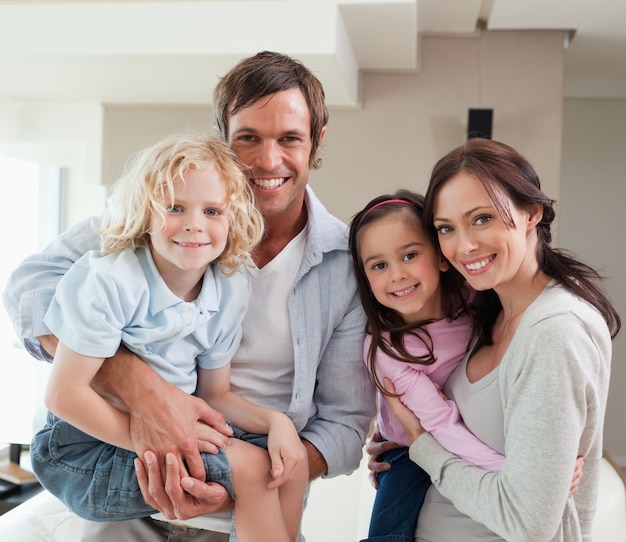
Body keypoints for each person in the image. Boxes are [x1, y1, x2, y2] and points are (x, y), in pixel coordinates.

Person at [3, 51, 375, 541]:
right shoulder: (161, 222)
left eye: (289, 138)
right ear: (224, 138)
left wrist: (242, 477)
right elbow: (30, 287)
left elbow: (345, 427)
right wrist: (142, 391)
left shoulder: (347, 266)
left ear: (316, 141)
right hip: (126, 493)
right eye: (248, 138)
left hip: (246, 498)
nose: (268, 160)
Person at [29, 132, 308, 542]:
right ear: (146, 213)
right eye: (175, 208)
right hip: (78, 450)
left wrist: (276, 421)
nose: (195, 224)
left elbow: (215, 395)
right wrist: (156, 438)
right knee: (254, 470)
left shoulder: (228, 288)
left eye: (212, 210)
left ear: (233, 219)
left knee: (292, 463)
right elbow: (63, 397)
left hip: (165, 431)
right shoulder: (112, 280)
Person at [378, 138, 621, 541]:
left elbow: (528, 524)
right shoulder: (485, 312)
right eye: (446, 229)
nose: (465, 245)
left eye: (482, 219)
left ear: (532, 211)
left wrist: (424, 449)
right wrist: (401, 446)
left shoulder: (554, 330)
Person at [348, 190, 504, 542]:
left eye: (410, 255)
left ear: (441, 257)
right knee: (388, 533)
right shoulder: (387, 348)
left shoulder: (475, 298)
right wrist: (509, 473)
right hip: (408, 449)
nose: (397, 275)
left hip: (471, 429)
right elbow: (439, 423)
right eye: (379, 265)